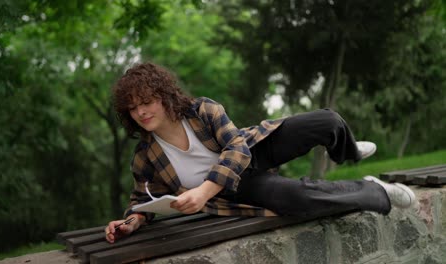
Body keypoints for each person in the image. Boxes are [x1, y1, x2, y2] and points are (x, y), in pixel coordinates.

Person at [105, 62, 416, 243]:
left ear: (163, 95)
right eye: (132, 108)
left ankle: (348, 151)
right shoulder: (146, 156)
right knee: (297, 198)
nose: (141, 112)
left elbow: (237, 147)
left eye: (146, 101)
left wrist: (202, 191)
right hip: (237, 189)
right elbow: (142, 202)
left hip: (250, 151)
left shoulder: (202, 110)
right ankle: (375, 191)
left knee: (328, 121)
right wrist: (130, 221)